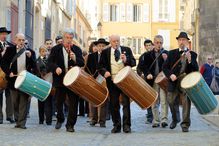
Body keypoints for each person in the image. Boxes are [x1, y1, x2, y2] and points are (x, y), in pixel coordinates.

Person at [48, 28, 84, 132]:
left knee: (73, 103)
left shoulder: (77, 49)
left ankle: (70, 125)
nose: (69, 40)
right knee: (59, 102)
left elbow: (81, 63)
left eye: (71, 38)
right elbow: (50, 63)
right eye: (67, 38)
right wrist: (56, 68)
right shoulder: (55, 49)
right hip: (60, 80)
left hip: (73, 81)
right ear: (63, 38)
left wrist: (75, 59)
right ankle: (60, 118)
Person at [98, 35, 136, 133]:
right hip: (112, 81)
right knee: (114, 104)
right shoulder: (105, 52)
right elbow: (100, 66)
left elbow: (133, 62)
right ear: (110, 42)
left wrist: (125, 60)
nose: (116, 43)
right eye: (114, 41)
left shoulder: (126, 50)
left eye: (117, 41)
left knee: (126, 103)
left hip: (125, 81)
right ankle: (117, 125)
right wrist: (104, 72)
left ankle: (127, 126)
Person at [163, 32, 199, 132]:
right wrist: (170, 75)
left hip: (186, 81)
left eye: (183, 40)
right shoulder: (171, 53)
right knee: (170, 100)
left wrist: (190, 60)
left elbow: (195, 70)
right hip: (173, 81)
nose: (181, 42)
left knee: (186, 102)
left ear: (187, 42)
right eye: (180, 40)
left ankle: (185, 124)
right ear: (178, 41)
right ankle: (175, 118)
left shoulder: (192, 54)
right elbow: (165, 67)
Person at [1, 33, 37, 129]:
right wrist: (9, 73)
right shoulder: (10, 50)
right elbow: (3, 63)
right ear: (16, 40)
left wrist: (30, 57)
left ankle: (22, 123)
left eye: (23, 40)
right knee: (15, 102)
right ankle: (17, 120)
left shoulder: (30, 52)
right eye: (19, 40)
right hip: (13, 80)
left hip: (25, 80)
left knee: (23, 102)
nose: (21, 42)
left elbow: (35, 67)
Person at [140, 35, 169, 128]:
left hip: (163, 80)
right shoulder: (148, 55)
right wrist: (147, 73)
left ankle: (164, 119)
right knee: (154, 101)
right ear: (154, 43)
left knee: (164, 100)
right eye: (157, 43)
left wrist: (166, 59)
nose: (159, 44)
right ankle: (156, 120)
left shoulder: (166, 53)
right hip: (153, 81)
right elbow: (143, 66)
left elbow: (170, 67)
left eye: (161, 43)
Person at [85, 38, 109, 128]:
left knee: (104, 100)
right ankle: (93, 119)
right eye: (99, 46)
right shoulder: (91, 56)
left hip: (104, 80)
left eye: (103, 46)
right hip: (94, 79)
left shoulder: (108, 56)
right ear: (96, 46)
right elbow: (87, 68)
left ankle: (102, 121)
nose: (101, 47)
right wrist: (90, 77)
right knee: (92, 99)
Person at [137, 39, 154, 124]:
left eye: (149, 45)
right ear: (145, 47)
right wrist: (141, 74)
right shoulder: (142, 56)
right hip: (147, 80)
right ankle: (150, 115)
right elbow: (139, 68)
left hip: (156, 79)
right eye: (146, 45)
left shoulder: (156, 54)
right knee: (149, 98)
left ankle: (155, 113)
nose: (148, 47)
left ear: (152, 45)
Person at [0, 27, 15, 124]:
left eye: (6, 34)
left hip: (9, 72)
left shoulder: (10, 46)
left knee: (10, 95)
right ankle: (0, 117)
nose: (4, 36)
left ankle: (10, 116)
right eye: (2, 34)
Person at [36, 45, 53, 125]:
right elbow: (35, 72)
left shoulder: (50, 61)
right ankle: (41, 119)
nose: (44, 53)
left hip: (48, 83)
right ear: (40, 52)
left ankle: (49, 120)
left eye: (45, 51)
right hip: (40, 83)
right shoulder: (37, 61)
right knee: (40, 102)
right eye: (42, 51)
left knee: (49, 102)